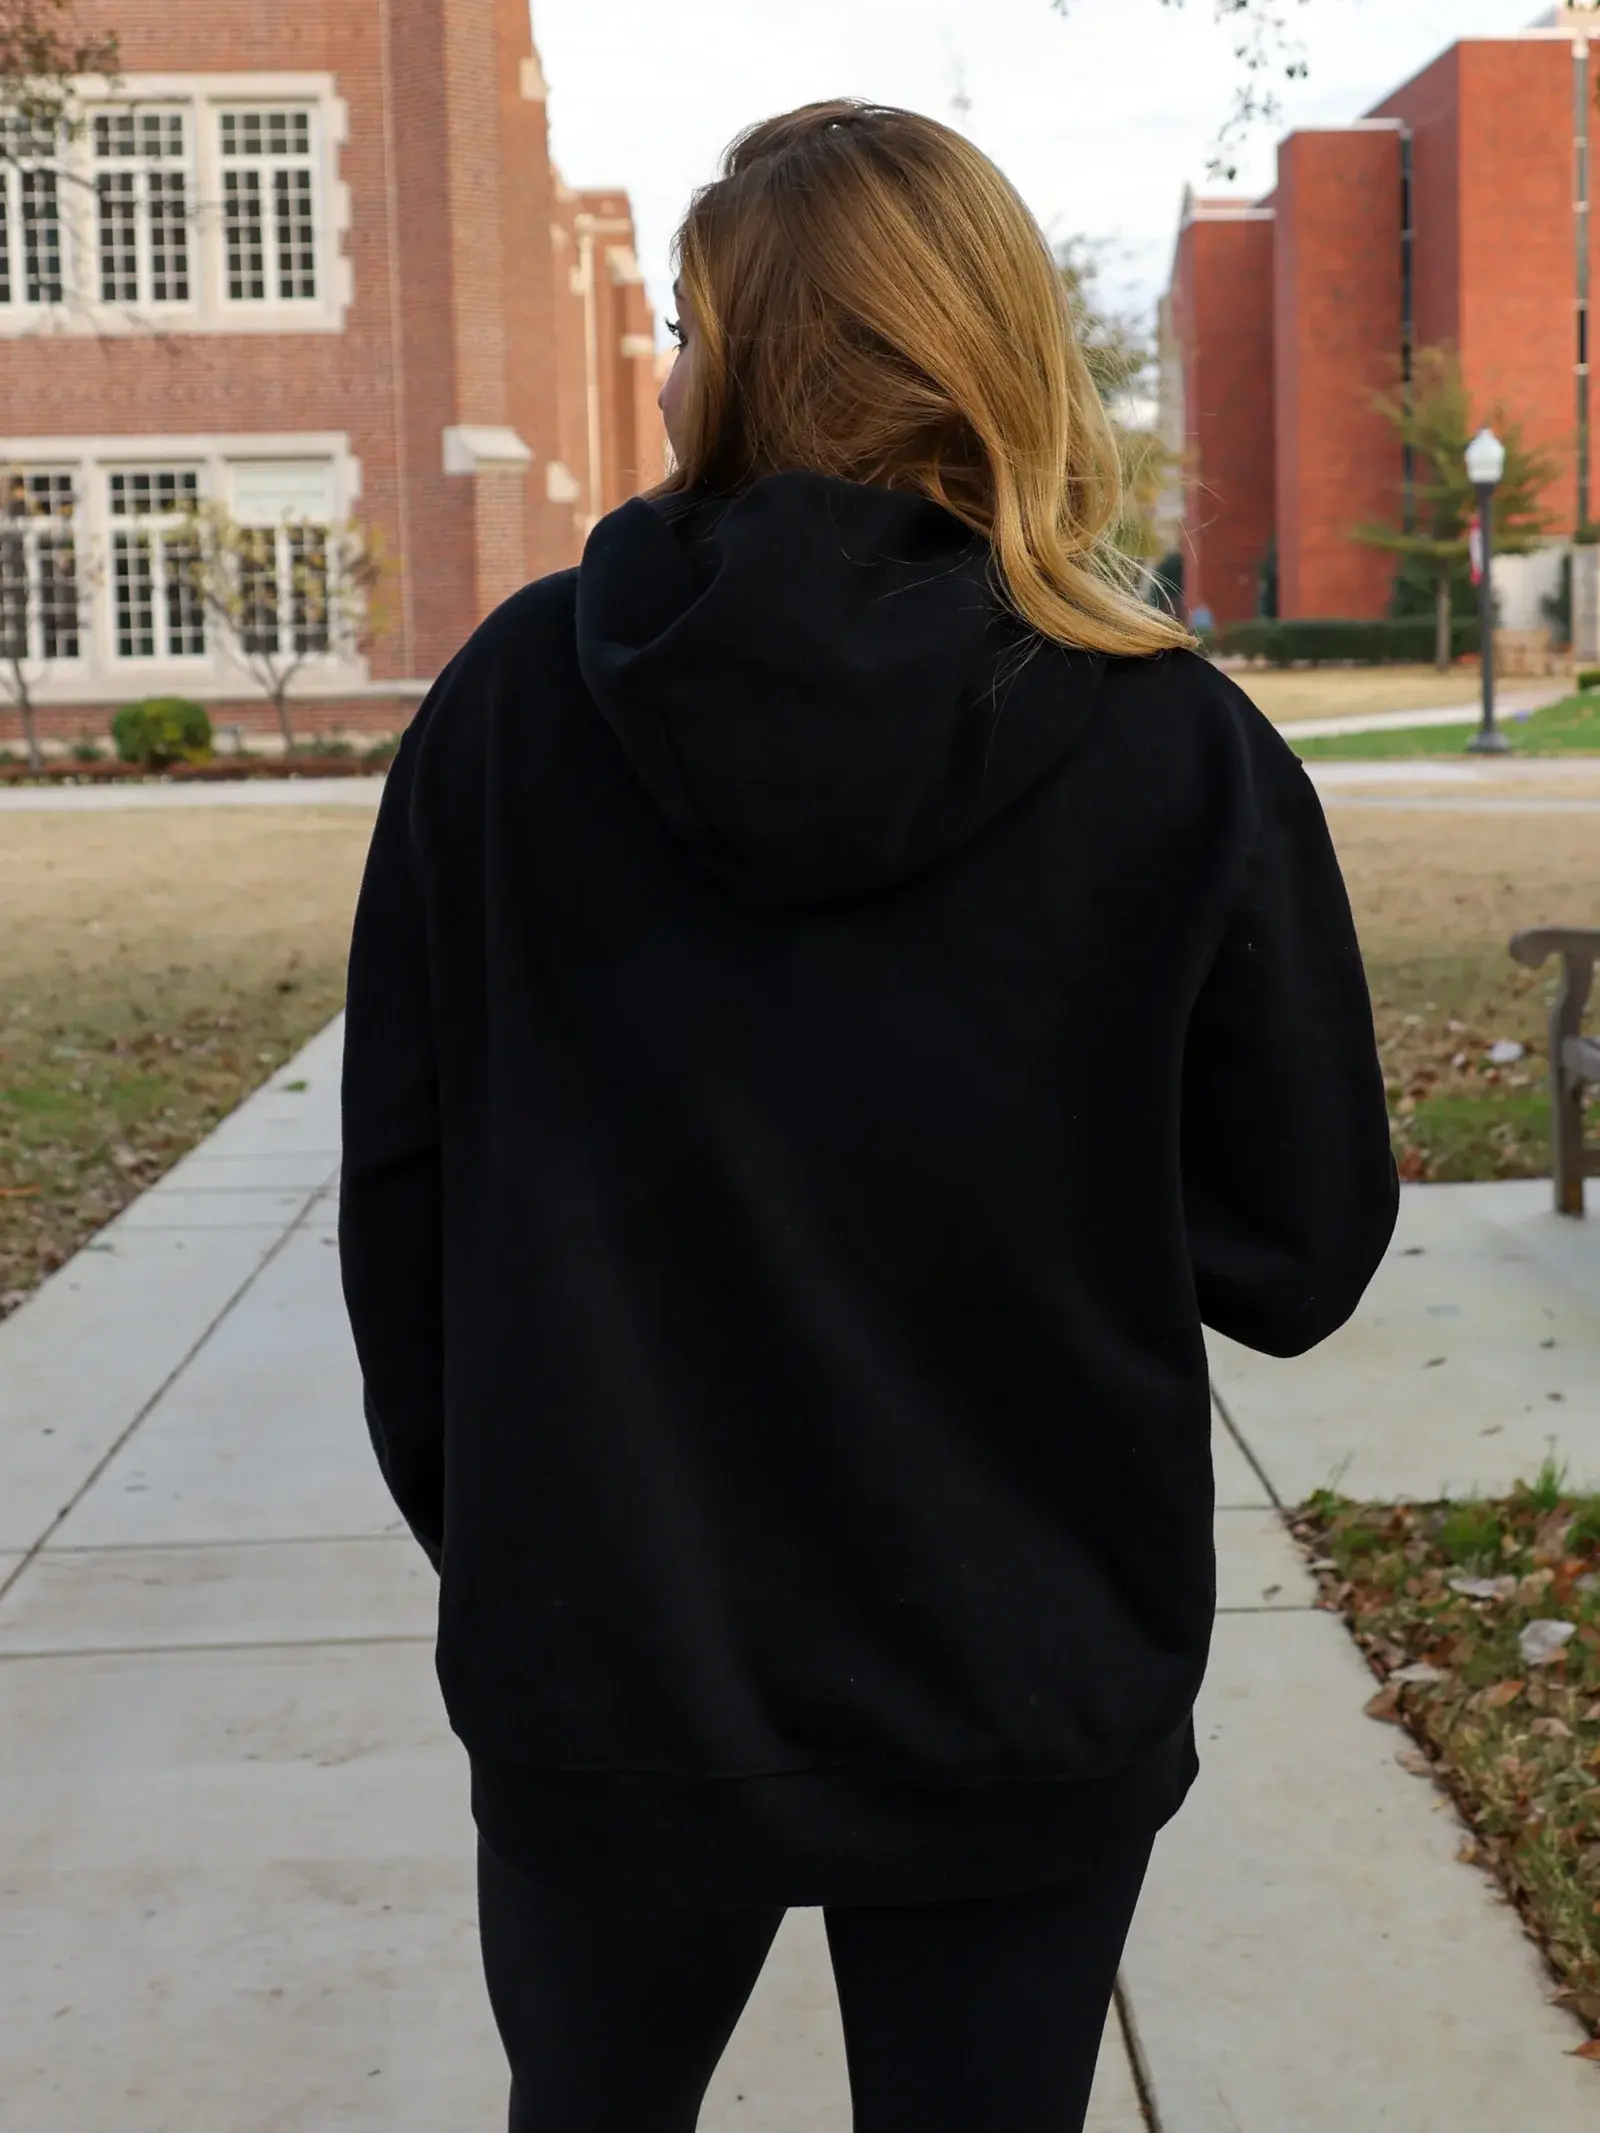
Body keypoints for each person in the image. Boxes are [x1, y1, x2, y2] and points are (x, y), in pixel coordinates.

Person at [339, 99, 1398, 2133]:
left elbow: (404, 1193)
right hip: (1021, 1669)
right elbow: (1298, 1251)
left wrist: (522, 1538)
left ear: (745, 359)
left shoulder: (504, 711)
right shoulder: (1171, 746)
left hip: (608, 1653)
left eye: (682, 328)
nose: (665, 372)